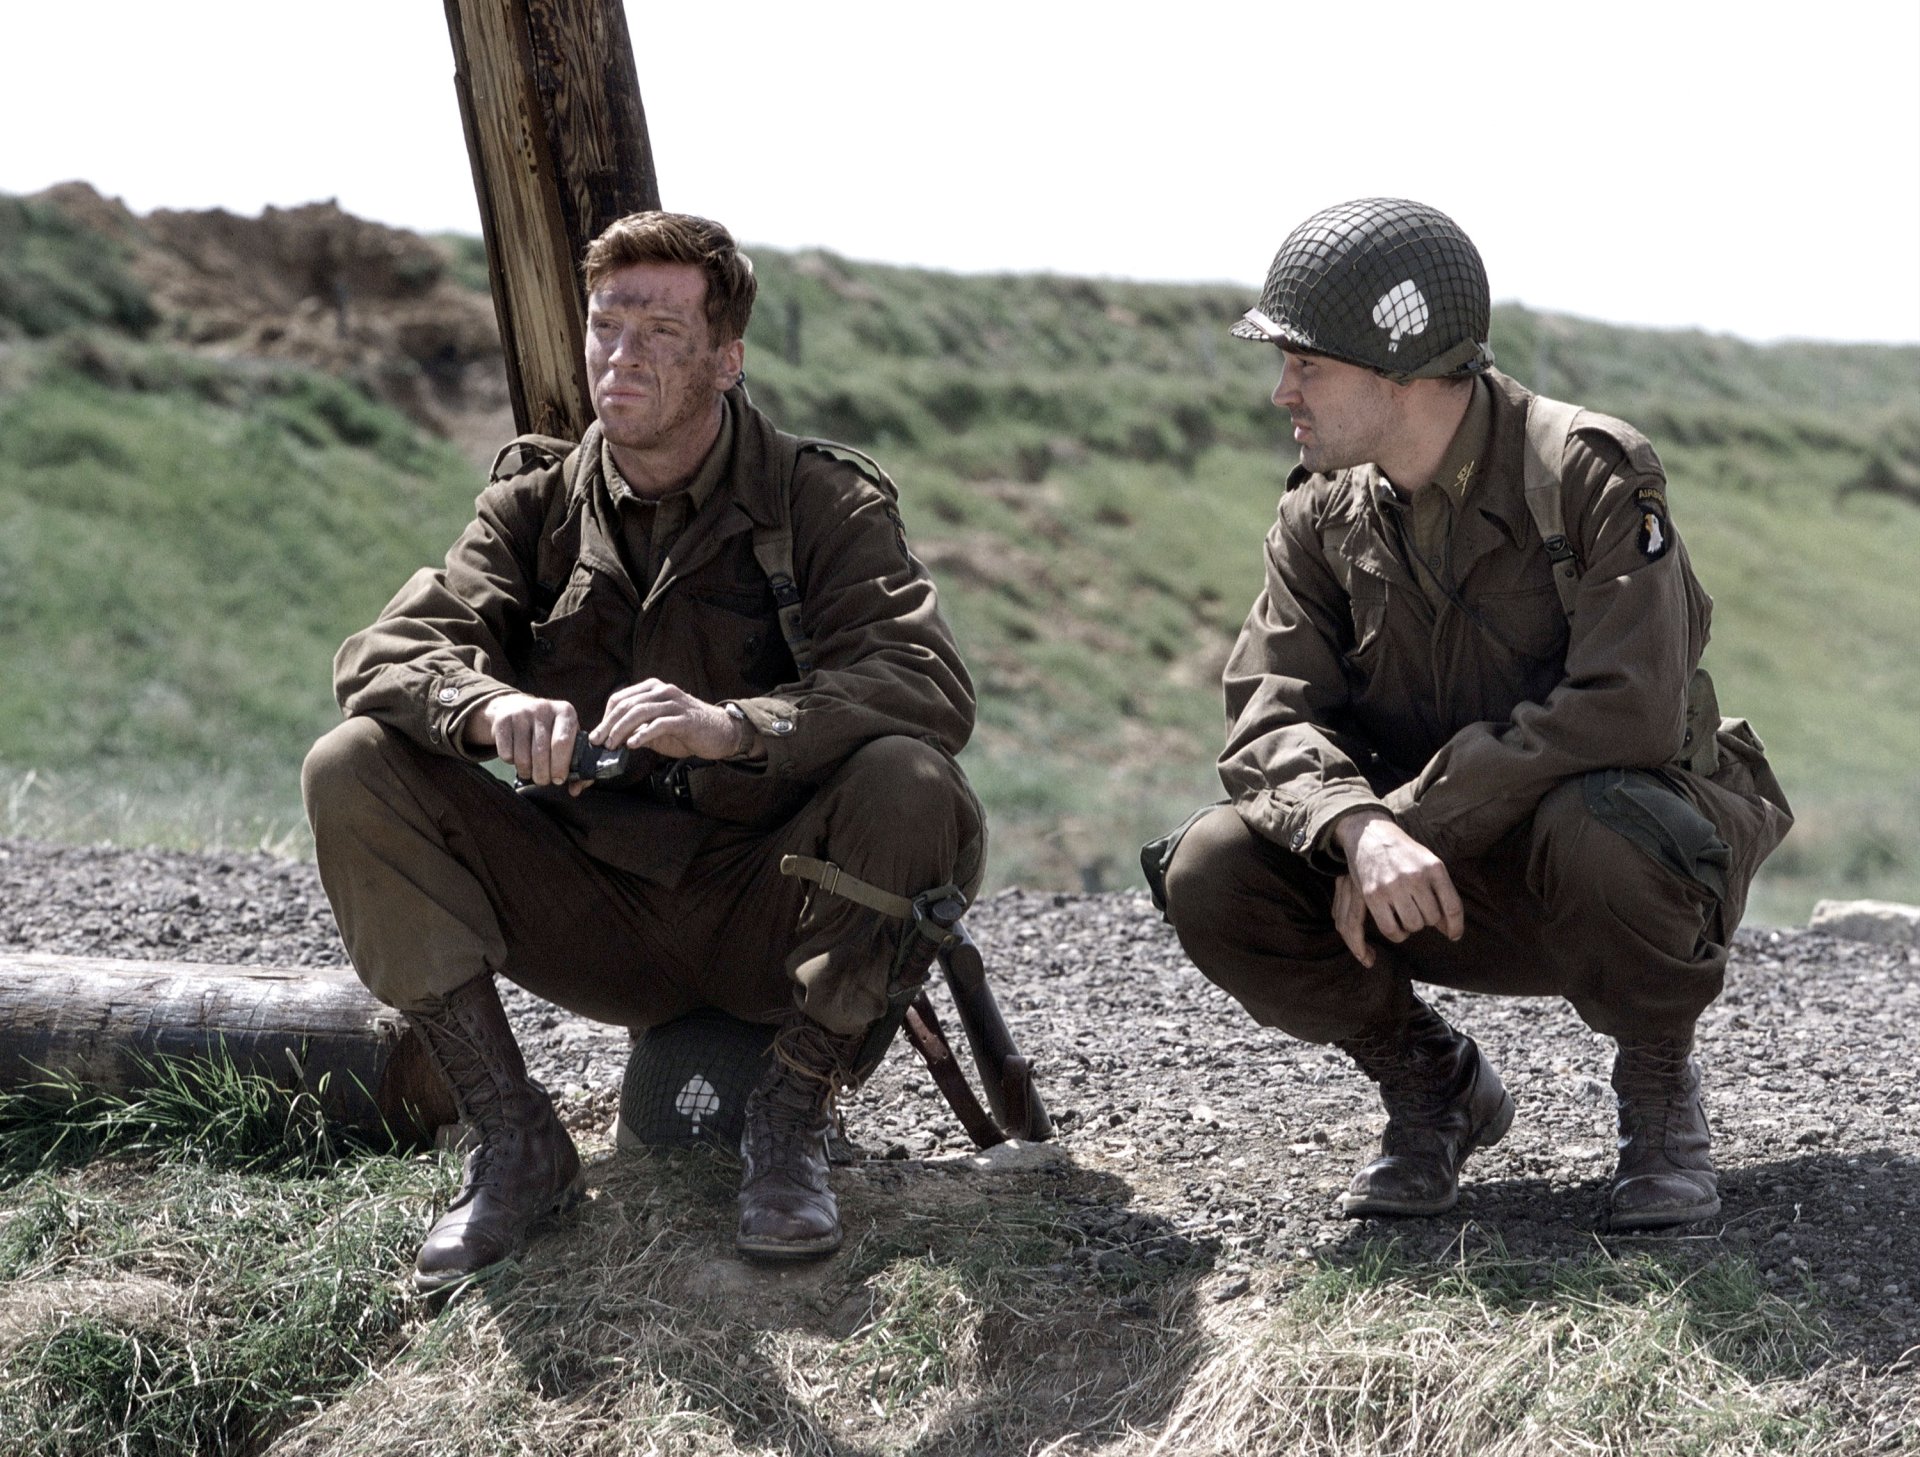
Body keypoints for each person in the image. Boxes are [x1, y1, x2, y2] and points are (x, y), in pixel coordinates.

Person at [302, 211, 983, 1290]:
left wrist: (737, 726)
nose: (621, 351)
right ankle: (515, 1139)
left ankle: (792, 1119)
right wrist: (489, 710)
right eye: (605, 322)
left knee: (912, 780)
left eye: (661, 330)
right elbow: (387, 653)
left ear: (727, 359)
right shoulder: (533, 506)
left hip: (772, 905)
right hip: (593, 910)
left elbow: (925, 681)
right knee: (351, 764)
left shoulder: (819, 501)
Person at [1157, 198, 1790, 1230]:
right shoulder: (1320, 509)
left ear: (1396, 366)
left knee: (1607, 818)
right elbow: (1268, 714)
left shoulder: (1585, 472)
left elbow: (1627, 710)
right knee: (1213, 867)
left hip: (1595, 869)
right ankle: (1430, 1084)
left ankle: (1660, 1091)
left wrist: (1414, 818)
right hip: (1422, 878)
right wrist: (1359, 829)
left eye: (1307, 364)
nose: (1283, 392)